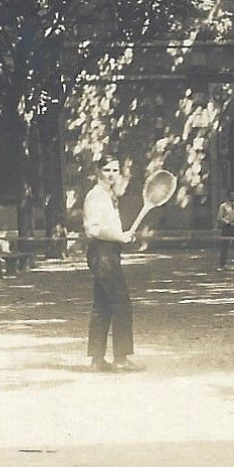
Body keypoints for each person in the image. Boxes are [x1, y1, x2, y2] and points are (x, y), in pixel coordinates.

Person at [83, 157, 142, 372]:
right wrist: (120, 236)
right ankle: (121, 359)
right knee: (122, 304)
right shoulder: (96, 196)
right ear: (98, 170)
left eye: (115, 170)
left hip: (108, 252)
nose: (111, 174)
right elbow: (94, 229)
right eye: (106, 169)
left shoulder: (108, 196)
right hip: (102, 253)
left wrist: (122, 237)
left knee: (103, 305)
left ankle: (97, 360)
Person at [217, 190, 234, 269]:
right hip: (226, 228)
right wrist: (228, 223)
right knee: (224, 247)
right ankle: (222, 265)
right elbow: (220, 217)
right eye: (231, 195)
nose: (233, 197)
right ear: (228, 197)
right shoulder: (223, 206)